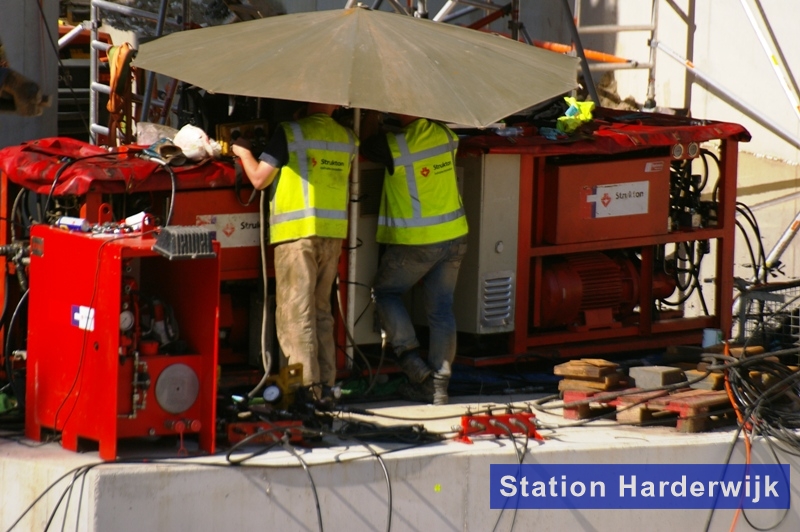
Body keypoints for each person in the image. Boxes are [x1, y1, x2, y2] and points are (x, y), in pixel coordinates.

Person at [232, 102, 358, 395]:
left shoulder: (290, 132)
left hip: (296, 235)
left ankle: (303, 393)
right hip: (332, 234)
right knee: (320, 313)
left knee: (294, 316)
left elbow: (259, 179)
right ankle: (326, 387)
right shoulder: (348, 138)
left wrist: (243, 152)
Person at [361, 113, 468, 405]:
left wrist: (371, 115)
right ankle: (438, 385)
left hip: (418, 242)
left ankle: (413, 367)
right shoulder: (445, 133)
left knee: (385, 292)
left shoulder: (395, 144)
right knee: (442, 310)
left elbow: (366, 145)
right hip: (455, 236)